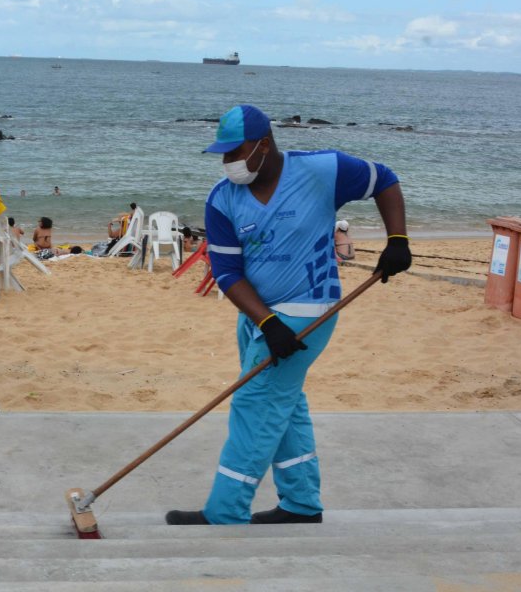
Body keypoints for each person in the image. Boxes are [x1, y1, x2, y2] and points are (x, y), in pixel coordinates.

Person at [165, 104, 410, 526]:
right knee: (285, 403)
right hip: (258, 317)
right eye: (223, 154)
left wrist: (398, 239)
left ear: (264, 145)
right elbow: (227, 272)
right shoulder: (222, 199)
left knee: (255, 404)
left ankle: (225, 511)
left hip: (309, 309)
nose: (228, 162)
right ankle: (301, 503)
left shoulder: (323, 170)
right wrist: (266, 321)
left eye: (235, 152)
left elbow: (384, 180)